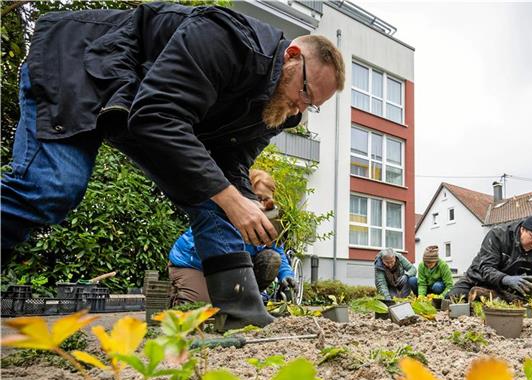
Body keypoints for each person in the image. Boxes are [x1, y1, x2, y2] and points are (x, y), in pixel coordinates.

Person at [0, 3, 344, 329]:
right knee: (52, 188)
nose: (301, 108)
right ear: (292, 57)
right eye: (306, 92)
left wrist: (244, 200)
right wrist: (231, 198)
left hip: (139, 105)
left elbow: (230, 164)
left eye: (312, 106)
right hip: (78, 66)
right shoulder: (227, 39)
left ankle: (240, 313)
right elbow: (157, 116)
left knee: (218, 201)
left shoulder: (275, 111)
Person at [168, 169, 296, 306]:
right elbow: (217, 248)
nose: (262, 205)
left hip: (230, 269)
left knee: (271, 258)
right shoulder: (224, 212)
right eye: (258, 198)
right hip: (194, 265)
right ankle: (179, 294)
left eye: (267, 200)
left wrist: (286, 275)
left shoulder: (267, 221)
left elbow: (277, 251)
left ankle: (244, 303)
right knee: (199, 309)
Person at [446, 212, 532, 302]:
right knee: (452, 299)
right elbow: (486, 268)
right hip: (477, 279)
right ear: (523, 229)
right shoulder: (498, 235)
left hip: (504, 289)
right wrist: (505, 279)